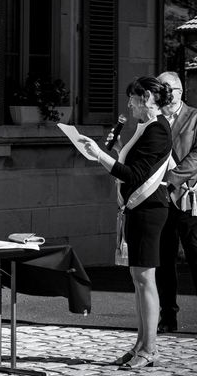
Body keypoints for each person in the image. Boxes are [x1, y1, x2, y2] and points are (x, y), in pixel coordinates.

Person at [78, 76, 173, 369]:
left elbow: (133, 175)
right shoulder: (146, 127)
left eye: (132, 98)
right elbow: (128, 166)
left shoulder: (157, 130)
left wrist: (99, 155)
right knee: (138, 279)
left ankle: (151, 348)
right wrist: (110, 151)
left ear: (145, 97)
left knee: (146, 279)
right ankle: (140, 345)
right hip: (139, 210)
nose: (129, 104)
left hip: (149, 210)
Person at [156, 71, 197, 333]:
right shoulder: (154, 120)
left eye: (168, 88)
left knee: (195, 256)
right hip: (161, 200)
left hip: (188, 198)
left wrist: (171, 179)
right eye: (160, 88)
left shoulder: (195, 117)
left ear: (180, 91)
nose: (164, 93)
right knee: (164, 260)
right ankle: (168, 316)